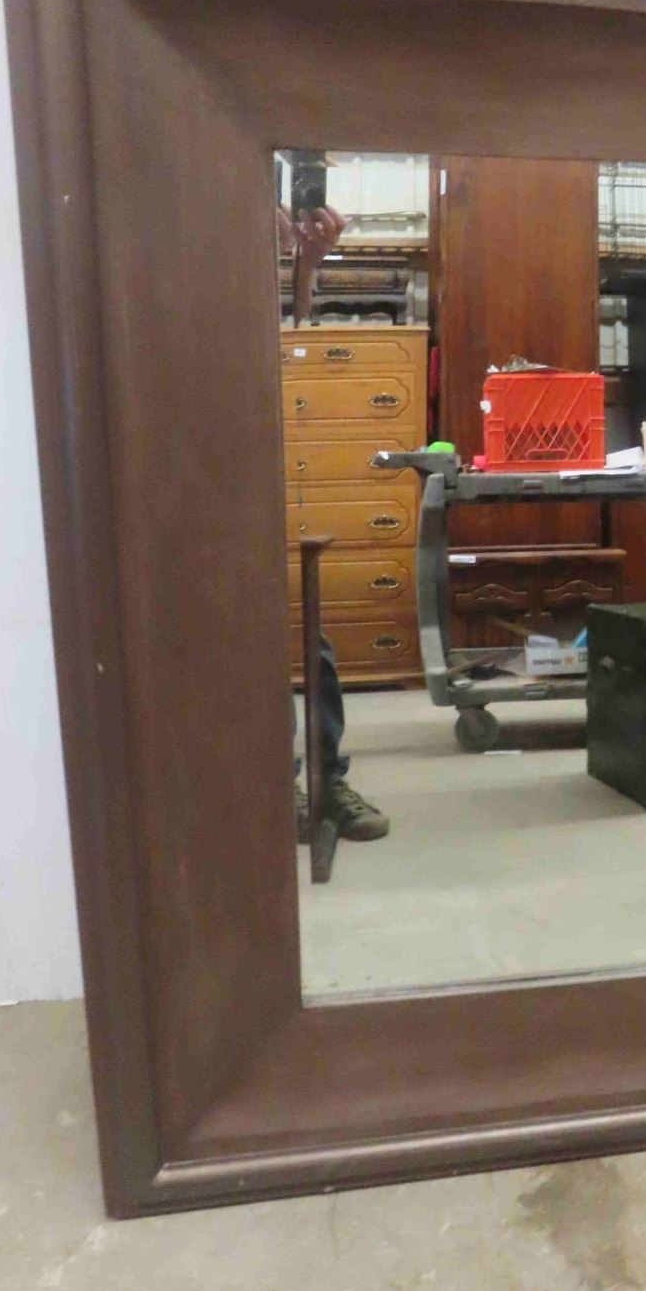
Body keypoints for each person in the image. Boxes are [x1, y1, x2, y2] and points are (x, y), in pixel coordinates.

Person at [280, 198, 390, 844]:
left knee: (307, 642)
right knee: (250, 642)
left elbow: (290, 337)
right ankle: (276, 782)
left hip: (258, 465)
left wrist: (306, 263)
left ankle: (325, 782)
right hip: (188, 475)